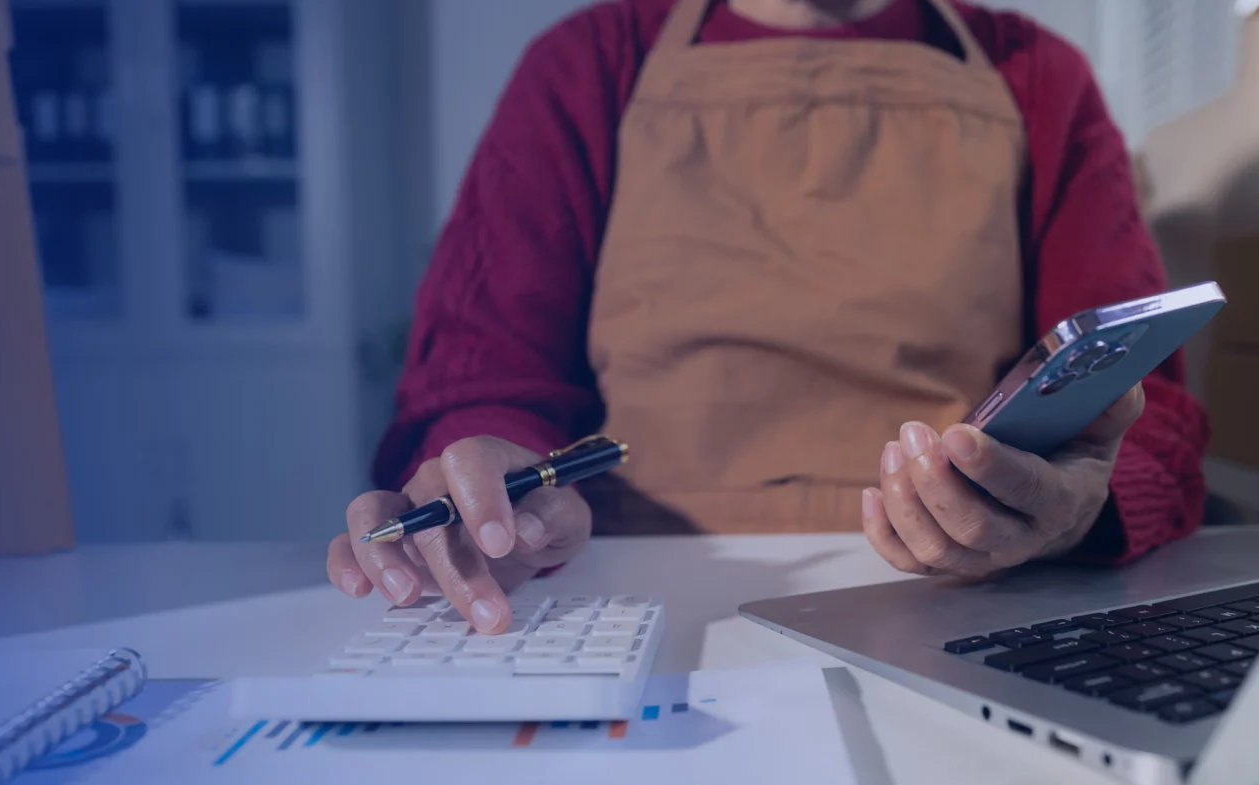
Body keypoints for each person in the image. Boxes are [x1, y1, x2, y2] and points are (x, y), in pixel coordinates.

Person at [326, 0, 1210, 635]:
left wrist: (1079, 503)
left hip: (965, 605)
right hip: (622, 597)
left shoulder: (1039, 76)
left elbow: (1142, 412)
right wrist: (490, 474)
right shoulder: (585, 64)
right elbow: (480, 379)